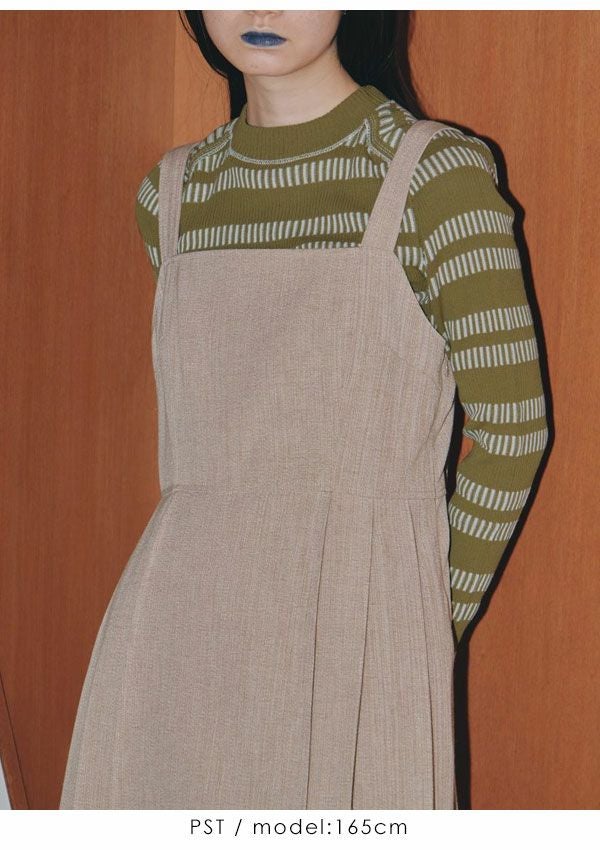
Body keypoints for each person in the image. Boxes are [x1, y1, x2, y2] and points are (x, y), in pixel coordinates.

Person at [60, 10, 548, 811]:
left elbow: (514, 430)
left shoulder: (436, 179)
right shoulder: (171, 194)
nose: (262, 9)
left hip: (359, 633)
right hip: (175, 642)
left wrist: (422, 620)